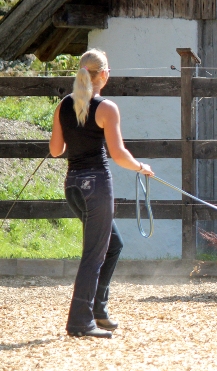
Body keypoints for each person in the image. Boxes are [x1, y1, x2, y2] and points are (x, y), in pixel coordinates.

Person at [49, 49, 154, 338]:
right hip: (96, 187)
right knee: (94, 254)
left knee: (113, 245)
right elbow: (118, 154)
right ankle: (80, 322)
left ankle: (97, 309)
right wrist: (141, 166)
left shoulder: (63, 106)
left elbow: (56, 150)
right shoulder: (107, 108)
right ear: (104, 75)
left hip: (73, 186)